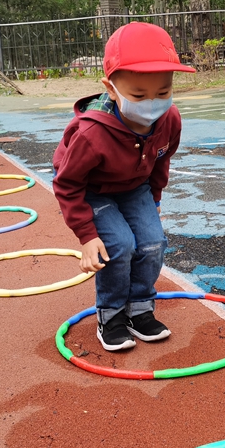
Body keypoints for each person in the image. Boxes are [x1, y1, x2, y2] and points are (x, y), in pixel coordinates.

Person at [52, 22, 194, 351]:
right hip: (92, 188)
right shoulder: (91, 134)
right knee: (118, 245)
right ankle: (112, 315)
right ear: (111, 89)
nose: (152, 103)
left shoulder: (170, 119)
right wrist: (87, 236)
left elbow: (161, 159)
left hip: (134, 184)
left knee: (153, 243)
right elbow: (68, 184)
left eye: (163, 93)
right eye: (139, 95)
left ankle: (139, 309)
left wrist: (154, 200)